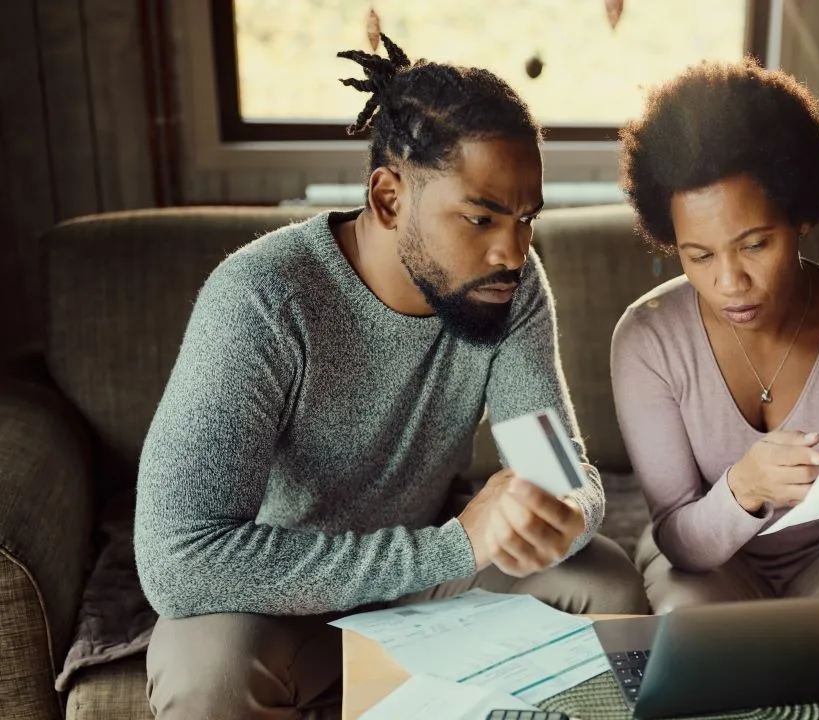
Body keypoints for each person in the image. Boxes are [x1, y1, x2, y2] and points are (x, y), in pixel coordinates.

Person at [135, 35, 648, 719]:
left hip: (433, 577)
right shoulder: (261, 299)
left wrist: (563, 510)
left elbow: (555, 465)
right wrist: (450, 548)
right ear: (388, 199)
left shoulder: (510, 288)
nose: (512, 250)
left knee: (607, 585)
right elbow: (179, 560)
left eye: (526, 219)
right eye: (481, 218)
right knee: (208, 673)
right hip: (280, 596)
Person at [610, 59, 819, 614]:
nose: (729, 283)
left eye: (755, 245)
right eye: (699, 256)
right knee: (687, 624)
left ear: (801, 217)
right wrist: (746, 488)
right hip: (708, 561)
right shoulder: (648, 340)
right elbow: (679, 540)